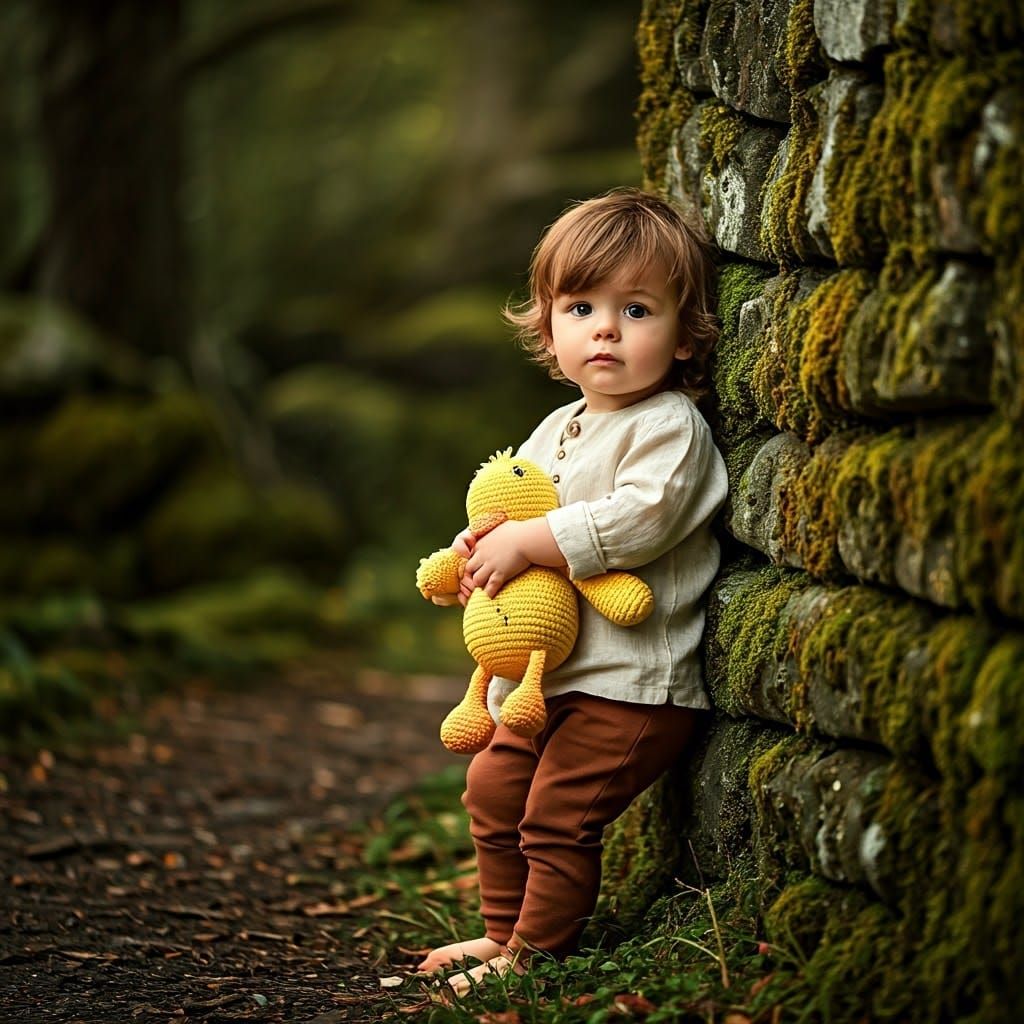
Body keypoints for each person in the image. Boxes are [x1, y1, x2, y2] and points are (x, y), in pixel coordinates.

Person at [416, 187, 729, 997]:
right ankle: (500, 931)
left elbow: (643, 518)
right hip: (546, 677)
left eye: (636, 310)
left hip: (633, 686)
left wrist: (532, 542)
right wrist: (481, 545)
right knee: (490, 786)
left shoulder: (669, 427)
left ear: (684, 334)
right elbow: (510, 504)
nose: (604, 330)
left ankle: (536, 957)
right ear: (547, 324)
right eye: (582, 306)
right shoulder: (555, 428)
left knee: (557, 813)